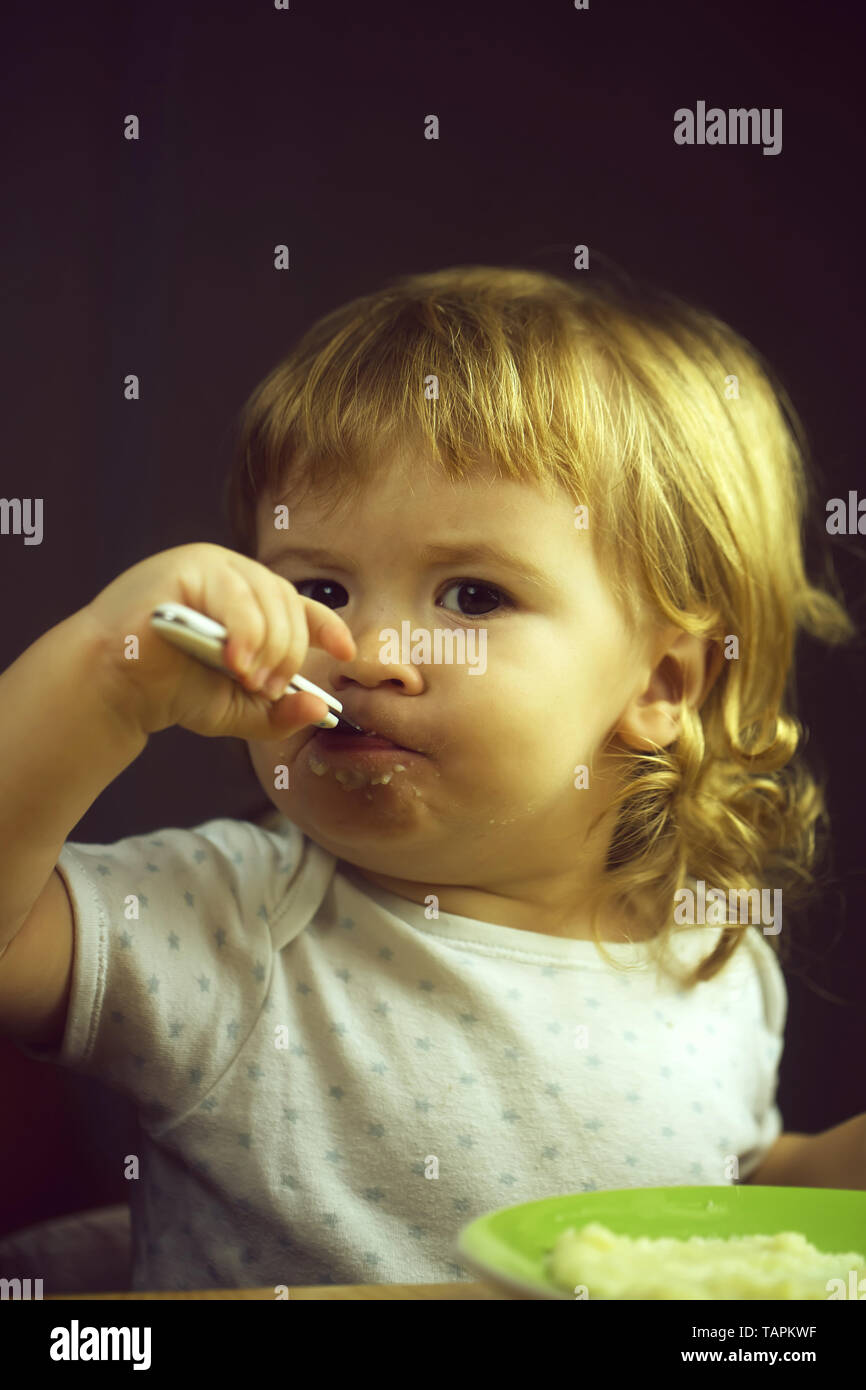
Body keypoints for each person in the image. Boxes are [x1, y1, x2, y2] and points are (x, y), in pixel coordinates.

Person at [0, 264, 862, 1294]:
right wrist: (105, 676)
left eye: (469, 594)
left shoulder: (708, 960)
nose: (368, 650)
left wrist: (815, 1174)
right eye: (318, 586)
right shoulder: (236, 922)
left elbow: (701, 1204)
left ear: (661, 681)